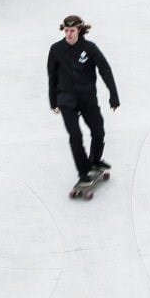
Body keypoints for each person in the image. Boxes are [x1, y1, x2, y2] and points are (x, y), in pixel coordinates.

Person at [47, 14, 119, 185]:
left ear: (79, 30)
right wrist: (53, 101)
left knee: (98, 131)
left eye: (72, 30)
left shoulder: (90, 48)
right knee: (75, 136)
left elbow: (105, 70)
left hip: (87, 98)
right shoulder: (56, 49)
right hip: (66, 99)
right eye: (66, 31)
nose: (69, 34)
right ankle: (83, 171)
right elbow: (52, 77)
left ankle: (94, 160)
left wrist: (113, 95)